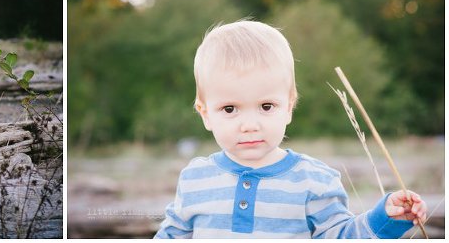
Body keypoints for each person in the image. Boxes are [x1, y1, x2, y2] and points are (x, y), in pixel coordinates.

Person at [155, 20, 427, 238]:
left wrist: (384, 219)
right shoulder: (195, 178)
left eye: (266, 106)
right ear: (205, 114)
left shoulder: (313, 180)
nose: (250, 125)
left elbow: (341, 235)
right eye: (229, 109)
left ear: (289, 106)